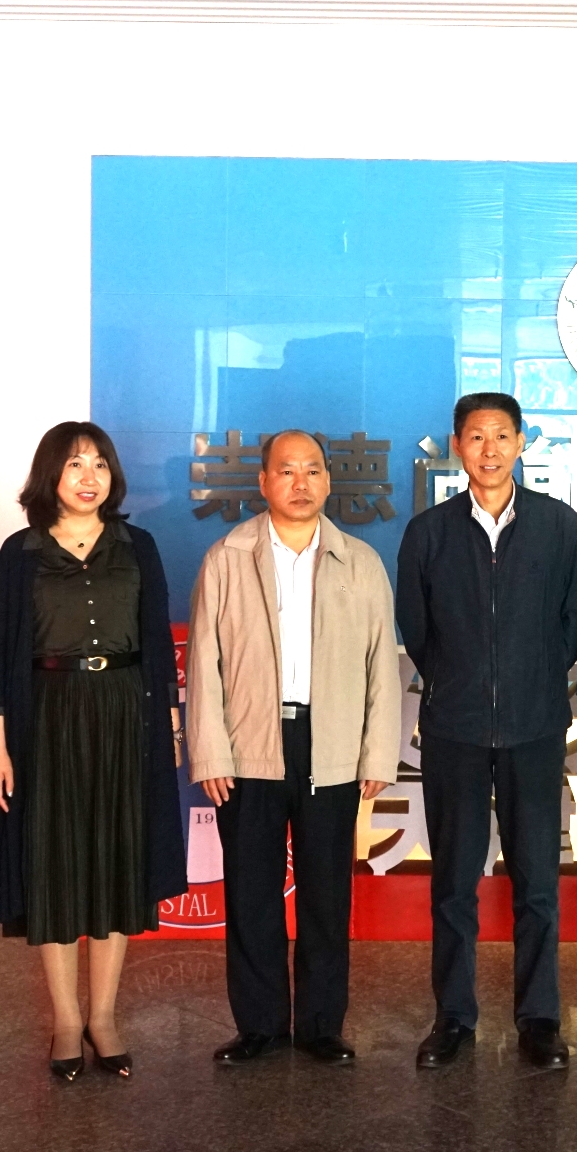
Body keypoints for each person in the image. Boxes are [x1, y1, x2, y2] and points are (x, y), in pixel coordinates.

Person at [186, 430, 401, 1065]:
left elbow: (381, 666)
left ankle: (320, 1025)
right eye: (286, 471)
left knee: (326, 893)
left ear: (329, 481)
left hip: (330, 741)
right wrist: (210, 751)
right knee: (251, 892)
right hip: (248, 742)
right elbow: (204, 661)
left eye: (312, 471)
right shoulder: (228, 557)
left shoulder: (360, 561)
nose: (300, 483)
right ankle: (258, 1026)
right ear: (263, 481)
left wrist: (376, 753)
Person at [0, 421, 187, 1081]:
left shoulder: (137, 546)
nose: (89, 477)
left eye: (99, 464)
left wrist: (170, 726)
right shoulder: (19, 553)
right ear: (51, 474)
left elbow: (156, 642)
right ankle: (67, 1021)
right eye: (75, 465)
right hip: (46, 715)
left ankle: (104, 1017)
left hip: (125, 711)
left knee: (116, 858)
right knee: (55, 861)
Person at [396, 392, 577, 1069]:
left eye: (502, 436)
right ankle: (453, 1017)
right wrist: (460, 681)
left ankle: (539, 1019)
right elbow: (417, 626)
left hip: (535, 728)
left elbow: (572, 622)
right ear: (457, 446)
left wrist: (530, 680)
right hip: (454, 727)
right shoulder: (429, 532)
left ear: (521, 443)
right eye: (475, 436)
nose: (489, 449)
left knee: (537, 881)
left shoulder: (558, 525)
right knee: (453, 881)